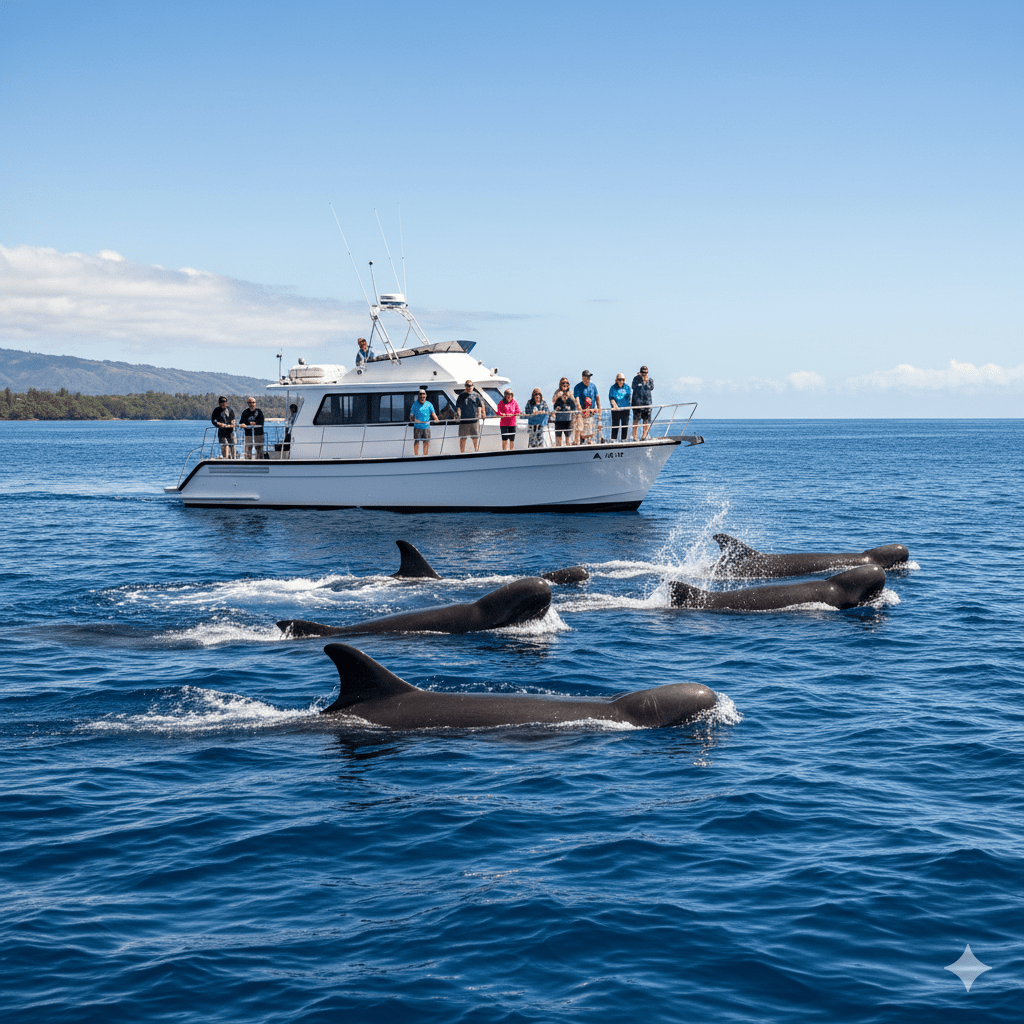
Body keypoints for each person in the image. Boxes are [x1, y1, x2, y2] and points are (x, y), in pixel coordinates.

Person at [455, 379, 486, 453]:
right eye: (467, 386)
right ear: (465, 386)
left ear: (472, 386)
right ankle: (462, 452)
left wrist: (483, 413)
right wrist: (457, 415)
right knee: (463, 438)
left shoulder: (476, 395)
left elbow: (481, 405)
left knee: (475, 437)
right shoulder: (461, 396)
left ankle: (476, 451)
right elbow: (458, 407)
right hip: (464, 420)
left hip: (474, 420)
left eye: (470, 385)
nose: (468, 387)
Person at [573, 370, 601, 443]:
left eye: (589, 378)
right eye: (586, 377)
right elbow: (577, 399)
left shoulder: (593, 386)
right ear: (583, 378)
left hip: (591, 414)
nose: (588, 379)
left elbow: (597, 398)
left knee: (591, 432)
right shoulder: (578, 387)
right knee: (582, 433)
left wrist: (599, 411)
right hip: (582, 414)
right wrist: (581, 410)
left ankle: (590, 443)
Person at [409, 388, 438, 455]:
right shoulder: (415, 404)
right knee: (416, 442)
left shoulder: (429, 404)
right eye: (420, 394)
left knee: (426, 442)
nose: (422, 396)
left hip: (426, 427)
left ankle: (425, 455)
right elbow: (411, 415)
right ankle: (416, 456)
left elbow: (433, 414)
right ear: (418, 395)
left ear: (426, 395)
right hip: (417, 427)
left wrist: (436, 419)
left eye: (423, 394)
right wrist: (413, 419)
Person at [631, 365, 655, 440]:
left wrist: (645, 380)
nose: (644, 374)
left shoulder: (650, 380)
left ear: (647, 372)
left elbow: (651, 388)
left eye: (645, 372)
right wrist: (640, 379)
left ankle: (643, 437)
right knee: (636, 421)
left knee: (646, 421)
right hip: (637, 404)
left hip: (647, 403)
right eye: (642, 372)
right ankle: (635, 438)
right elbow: (633, 387)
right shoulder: (636, 379)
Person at [550, 378, 576, 446]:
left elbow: (574, 404)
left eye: (566, 383)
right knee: (558, 439)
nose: (565, 384)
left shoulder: (570, 393)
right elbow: (554, 402)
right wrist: (558, 396)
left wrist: (569, 396)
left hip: (568, 419)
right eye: (563, 383)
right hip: (559, 419)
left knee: (568, 439)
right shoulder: (557, 392)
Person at [608, 373, 631, 441]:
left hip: (625, 409)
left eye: (623, 380)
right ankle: (613, 439)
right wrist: (614, 405)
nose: (621, 381)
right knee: (615, 424)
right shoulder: (613, 388)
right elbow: (611, 398)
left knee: (625, 424)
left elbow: (628, 397)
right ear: (616, 380)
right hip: (616, 410)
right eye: (619, 379)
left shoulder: (627, 387)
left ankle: (623, 439)